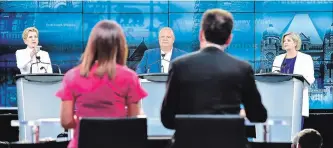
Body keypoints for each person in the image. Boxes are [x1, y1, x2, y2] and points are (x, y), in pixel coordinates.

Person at [161, 8, 267, 134]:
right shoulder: (243, 69)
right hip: (230, 142)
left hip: (189, 141)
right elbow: (258, 116)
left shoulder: (179, 66)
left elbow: (167, 119)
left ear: (201, 35)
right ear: (229, 39)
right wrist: (240, 113)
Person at [55, 20, 148, 148]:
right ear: (120, 46)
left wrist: (88, 124)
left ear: (92, 45)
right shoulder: (130, 77)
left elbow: (66, 121)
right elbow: (133, 120)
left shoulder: (72, 76)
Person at [272, 32, 315, 119]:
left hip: (297, 98)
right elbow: (274, 77)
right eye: (284, 41)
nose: (285, 43)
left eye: (288, 40)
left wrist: (297, 85)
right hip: (281, 99)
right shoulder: (278, 59)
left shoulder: (306, 58)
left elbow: (310, 78)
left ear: (295, 43)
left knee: (296, 130)